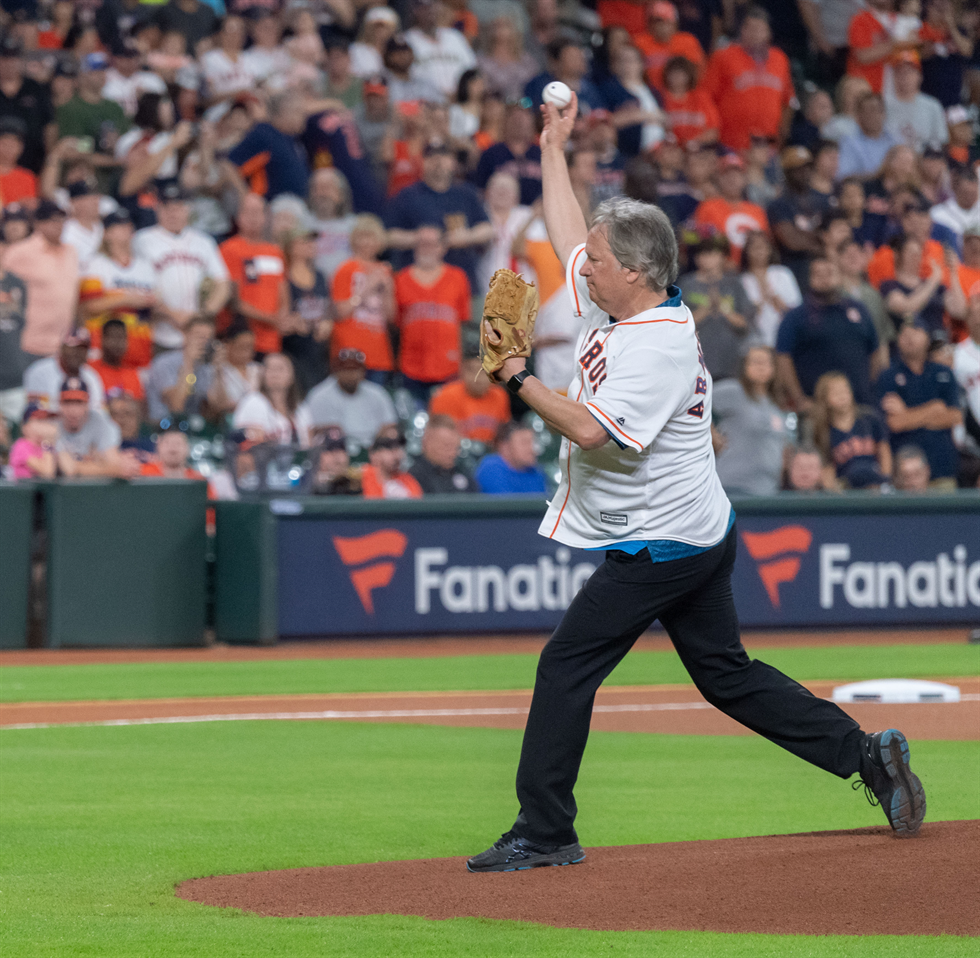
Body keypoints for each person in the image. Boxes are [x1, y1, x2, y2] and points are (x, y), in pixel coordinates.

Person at [466, 90, 923, 874]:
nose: (585, 266)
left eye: (602, 263)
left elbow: (587, 428)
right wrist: (551, 148)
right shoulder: (622, 301)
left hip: (663, 542)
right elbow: (570, 231)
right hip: (698, 526)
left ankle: (545, 829)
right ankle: (866, 756)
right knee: (725, 674)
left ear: (637, 272)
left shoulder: (658, 346)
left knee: (566, 663)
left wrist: (515, 377)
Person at [133, 181, 230, 351]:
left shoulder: (204, 241)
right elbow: (138, 286)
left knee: (196, 377)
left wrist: (202, 316)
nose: (173, 213)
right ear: (157, 208)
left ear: (188, 208)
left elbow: (222, 284)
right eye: (167, 207)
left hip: (199, 336)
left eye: (178, 206)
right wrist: (173, 315)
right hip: (158, 335)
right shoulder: (142, 240)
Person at [384, 139, 493, 291]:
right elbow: (388, 235)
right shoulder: (407, 195)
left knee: (470, 315)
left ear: (453, 162)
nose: (438, 161)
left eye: (444, 156)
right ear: (422, 162)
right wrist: (419, 237)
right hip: (417, 286)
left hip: (462, 283)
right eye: (431, 157)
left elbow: (487, 229)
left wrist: (467, 236)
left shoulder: (467, 193)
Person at [776, 256, 880, 411]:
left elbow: (875, 351)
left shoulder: (859, 309)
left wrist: (870, 386)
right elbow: (783, 357)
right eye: (818, 275)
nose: (825, 279)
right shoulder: (796, 316)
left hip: (860, 403)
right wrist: (799, 398)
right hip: (817, 408)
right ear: (809, 279)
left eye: (830, 273)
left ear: (839, 276)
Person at [878, 321, 963, 489]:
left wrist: (907, 414)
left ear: (927, 338)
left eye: (916, 331)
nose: (909, 337)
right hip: (905, 474)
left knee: (945, 513)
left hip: (942, 467)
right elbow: (894, 423)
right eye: (904, 333)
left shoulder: (943, 373)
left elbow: (955, 416)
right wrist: (933, 408)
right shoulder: (888, 376)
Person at [394, 225, 471, 406]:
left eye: (431, 244)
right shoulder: (401, 279)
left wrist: (461, 364)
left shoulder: (458, 277)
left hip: (448, 367)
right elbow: (396, 323)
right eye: (421, 244)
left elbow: (462, 323)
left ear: (442, 247)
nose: (426, 248)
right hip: (411, 367)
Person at [702, 6, 794, 152]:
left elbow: (789, 101)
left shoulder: (780, 59)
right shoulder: (724, 56)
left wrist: (782, 134)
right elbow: (706, 97)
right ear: (742, 31)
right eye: (750, 28)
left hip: (766, 148)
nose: (754, 34)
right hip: (731, 144)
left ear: (769, 33)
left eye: (760, 29)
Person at [78, 207, 157, 369]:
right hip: (103, 346)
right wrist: (127, 299)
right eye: (118, 227)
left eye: (127, 226)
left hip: (139, 344)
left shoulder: (145, 266)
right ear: (106, 234)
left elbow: (155, 304)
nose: (125, 231)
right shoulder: (95, 264)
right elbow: (90, 305)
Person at [3, 199, 79, 359]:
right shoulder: (20, 252)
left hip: (62, 345)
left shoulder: (71, 252)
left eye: (61, 220)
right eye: (52, 220)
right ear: (38, 223)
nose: (59, 225)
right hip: (28, 343)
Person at [711, 346, 790, 497]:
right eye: (755, 362)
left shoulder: (774, 404)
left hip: (768, 490)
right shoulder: (733, 391)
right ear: (744, 366)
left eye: (766, 362)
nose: (761, 367)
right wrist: (711, 433)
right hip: (733, 486)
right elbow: (694, 399)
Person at [679, 232, 754, 382]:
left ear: (722, 256)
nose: (708, 259)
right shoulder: (686, 284)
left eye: (713, 253)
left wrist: (724, 309)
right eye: (703, 254)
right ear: (697, 258)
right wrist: (707, 309)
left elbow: (745, 324)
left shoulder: (734, 284)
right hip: (696, 361)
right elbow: (679, 325)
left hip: (732, 361)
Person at [219, 192, 287, 356]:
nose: (253, 218)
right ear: (238, 217)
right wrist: (271, 319)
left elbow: (283, 292)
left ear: (265, 217)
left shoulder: (275, 252)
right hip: (241, 339)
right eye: (248, 212)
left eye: (258, 212)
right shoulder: (229, 250)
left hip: (272, 340)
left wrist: (282, 318)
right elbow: (233, 299)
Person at [330, 214, 395, 385]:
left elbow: (391, 318)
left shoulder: (385, 271)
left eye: (371, 237)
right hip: (350, 352)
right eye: (362, 237)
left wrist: (388, 291)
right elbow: (340, 311)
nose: (367, 242)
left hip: (378, 353)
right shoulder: (345, 269)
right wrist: (366, 289)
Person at [300, 347, 397, 448]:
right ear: (336, 371)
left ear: (363, 372)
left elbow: (389, 425)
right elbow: (310, 430)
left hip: (373, 449)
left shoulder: (377, 393)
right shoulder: (318, 395)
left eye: (355, 369)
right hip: (335, 450)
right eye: (346, 369)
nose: (351, 374)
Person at [812, 371, 892, 490]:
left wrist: (886, 481)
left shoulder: (870, 418)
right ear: (825, 399)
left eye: (845, 390)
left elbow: (884, 451)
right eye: (836, 393)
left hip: (875, 484)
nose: (842, 396)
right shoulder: (824, 432)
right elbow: (827, 469)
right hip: (847, 489)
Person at [766, 146, 831, 289]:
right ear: (787, 173)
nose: (804, 173)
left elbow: (832, 235)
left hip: (824, 263)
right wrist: (819, 240)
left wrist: (813, 239)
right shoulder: (779, 204)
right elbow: (792, 241)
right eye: (798, 169)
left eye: (807, 167)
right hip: (794, 265)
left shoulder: (823, 199)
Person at [880, 235, 966, 340]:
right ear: (898, 254)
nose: (916, 256)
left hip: (939, 345)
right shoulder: (889, 285)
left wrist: (953, 273)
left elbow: (960, 311)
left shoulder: (937, 286)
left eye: (919, 252)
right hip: (908, 347)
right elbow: (907, 307)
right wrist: (933, 280)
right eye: (911, 252)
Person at [428, 341, 512, 444]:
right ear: (461, 370)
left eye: (483, 371)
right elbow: (438, 442)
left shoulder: (500, 396)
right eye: (471, 370)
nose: (477, 377)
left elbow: (504, 439)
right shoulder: (445, 396)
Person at [693, 154, 769, 267]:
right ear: (718, 178)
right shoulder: (707, 206)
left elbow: (767, 244)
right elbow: (693, 239)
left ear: (745, 178)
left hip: (753, 272)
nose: (732, 178)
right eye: (726, 174)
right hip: (721, 272)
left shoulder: (757, 210)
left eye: (737, 174)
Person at [55, 375, 137, 479]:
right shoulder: (51, 425)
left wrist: (113, 467)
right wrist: (110, 469)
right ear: (59, 404)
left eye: (79, 403)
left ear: (87, 404)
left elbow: (115, 462)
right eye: (68, 403)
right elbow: (69, 469)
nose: (73, 410)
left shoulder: (101, 423)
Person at [281, 228, 332, 397]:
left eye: (312, 242)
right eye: (305, 241)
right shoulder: (284, 277)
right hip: (293, 349)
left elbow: (327, 309)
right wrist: (292, 321)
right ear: (290, 246)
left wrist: (327, 323)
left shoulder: (320, 276)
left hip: (318, 351)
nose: (311, 246)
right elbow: (281, 315)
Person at [146, 314, 216, 424]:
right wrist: (188, 364)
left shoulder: (206, 368)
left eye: (208, 338)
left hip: (194, 427)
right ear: (185, 335)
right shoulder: (164, 363)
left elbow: (214, 410)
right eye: (199, 336)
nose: (203, 342)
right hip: (163, 426)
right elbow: (176, 407)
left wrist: (220, 370)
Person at [232, 352, 311, 447]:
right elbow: (250, 446)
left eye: (280, 369)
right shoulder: (253, 402)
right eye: (270, 368)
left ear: (292, 376)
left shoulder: (301, 408)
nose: (275, 373)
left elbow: (309, 444)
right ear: (263, 374)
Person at [403, 0, 476, 102]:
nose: (430, 10)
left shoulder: (455, 36)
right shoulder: (407, 40)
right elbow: (408, 77)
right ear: (415, 10)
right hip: (427, 104)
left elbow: (472, 70)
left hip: (461, 103)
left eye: (433, 5)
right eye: (425, 7)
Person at [739, 231, 802, 348]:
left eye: (763, 247)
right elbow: (741, 316)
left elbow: (797, 309)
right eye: (754, 247)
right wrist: (758, 305)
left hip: (783, 336)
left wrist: (779, 303)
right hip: (754, 341)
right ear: (746, 252)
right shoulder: (742, 280)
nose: (759, 251)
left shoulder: (783, 273)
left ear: (769, 249)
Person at [22, 328, 104, 413]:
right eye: (73, 348)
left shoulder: (91, 376)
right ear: (62, 348)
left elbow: (96, 411)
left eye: (82, 348)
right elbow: (35, 411)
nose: (77, 352)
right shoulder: (39, 372)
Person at [633, 2, 705, 93]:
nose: (663, 27)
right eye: (658, 22)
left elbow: (699, 73)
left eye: (667, 22)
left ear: (675, 24)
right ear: (650, 25)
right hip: (649, 93)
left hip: (681, 93)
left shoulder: (688, 41)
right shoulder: (639, 42)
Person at [884, 51, 949, 153]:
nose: (905, 77)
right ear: (894, 77)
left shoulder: (932, 105)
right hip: (893, 162)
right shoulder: (884, 105)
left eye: (910, 72)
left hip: (924, 162)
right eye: (900, 72)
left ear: (920, 76)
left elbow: (940, 142)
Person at [836, 93, 902, 181]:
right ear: (858, 117)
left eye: (877, 110)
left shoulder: (895, 141)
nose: (873, 115)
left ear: (884, 114)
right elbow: (844, 177)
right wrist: (878, 174)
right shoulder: (849, 143)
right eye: (867, 111)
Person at [408, 414, 478, 494]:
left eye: (456, 447)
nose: (453, 453)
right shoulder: (414, 478)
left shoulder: (463, 472)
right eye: (447, 446)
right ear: (426, 444)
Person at [473, 420, 547, 495]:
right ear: (504, 447)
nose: (532, 449)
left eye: (534, 443)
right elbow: (505, 504)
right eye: (524, 442)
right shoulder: (491, 467)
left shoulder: (535, 471)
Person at [88, 319, 145, 402]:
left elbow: (138, 408)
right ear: (102, 339)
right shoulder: (90, 370)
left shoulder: (133, 374)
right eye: (113, 337)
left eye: (122, 338)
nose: (118, 343)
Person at [360, 431, 422, 499]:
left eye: (399, 447)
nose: (397, 454)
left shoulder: (407, 480)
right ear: (374, 453)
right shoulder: (361, 478)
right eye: (389, 448)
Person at [9, 402, 59, 479]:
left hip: (40, 490)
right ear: (25, 427)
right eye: (39, 420)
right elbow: (48, 472)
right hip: (23, 490)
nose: (44, 424)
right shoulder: (21, 445)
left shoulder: (44, 446)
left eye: (46, 420)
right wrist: (48, 441)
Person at [930, 165, 980, 239]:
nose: (970, 197)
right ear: (955, 190)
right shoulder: (938, 213)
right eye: (966, 193)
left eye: (973, 193)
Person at [311, 425, 363, 496]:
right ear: (319, 456)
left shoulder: (359, 482)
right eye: (331, 450)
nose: (336, 456)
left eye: (341, 450)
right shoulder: (307, 484)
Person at [138, 428, 204, 480]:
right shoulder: (141, 474)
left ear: (188, 449)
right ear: (158, 447)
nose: (173, 447)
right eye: (167, 443)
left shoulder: (198, 480)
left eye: (178, 443)